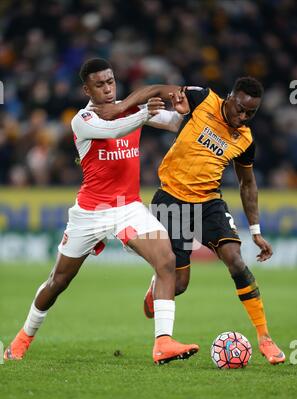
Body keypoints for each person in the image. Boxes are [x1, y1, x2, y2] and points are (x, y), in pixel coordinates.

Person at [4, 58, 199, 365]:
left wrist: (185, 112)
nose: (108, 88)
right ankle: (24, 336)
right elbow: (116, 129)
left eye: (110, 82)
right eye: (100, 84)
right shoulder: (82, 119)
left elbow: (174, 124)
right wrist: (144, 110)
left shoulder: (131, 108)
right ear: (87, 88)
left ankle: (163, 342)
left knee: (166, 260)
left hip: (127, 208)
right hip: (91, 212)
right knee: (59, 281)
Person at [96, 76, 286, 365]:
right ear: (230, 97)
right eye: (240, 108)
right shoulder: (202, 98)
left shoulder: (245, 139)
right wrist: (121, 106)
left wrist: (256, 231)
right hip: (171, 199)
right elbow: (156, 88)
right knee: (179, 282)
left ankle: (264, 338)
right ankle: (157, 287)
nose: (243, 116)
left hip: (208, 202)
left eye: (251, 113)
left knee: (235, 259)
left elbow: (248, 184)